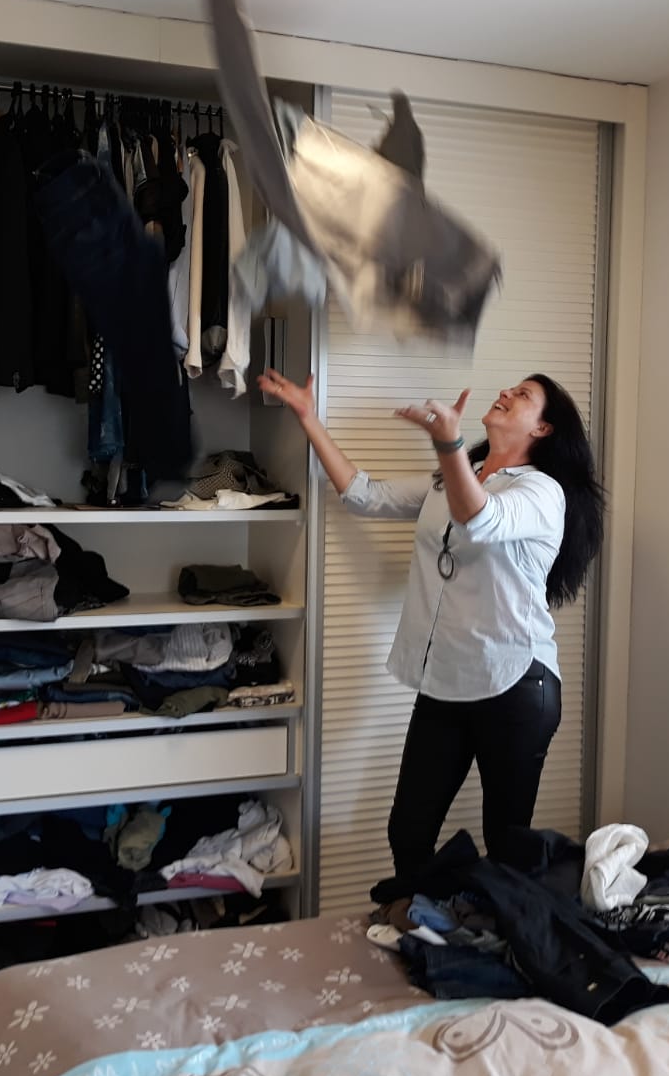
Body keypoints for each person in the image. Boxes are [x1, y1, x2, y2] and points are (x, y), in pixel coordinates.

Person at [257, 368, 605, 876]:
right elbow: (363, 493)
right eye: (510, 388)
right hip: (446, 681)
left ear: (543, 428)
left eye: (523, 395)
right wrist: (308, 417)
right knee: (409, 831)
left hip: (515, 684)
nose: (505, 392)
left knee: (506, 842)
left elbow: (479, 518)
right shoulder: (454, 477)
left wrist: (449, 443)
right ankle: (418, 917)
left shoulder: (542, 491)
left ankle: (497, 922)